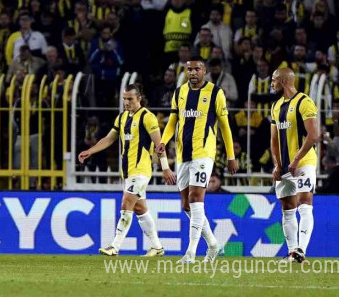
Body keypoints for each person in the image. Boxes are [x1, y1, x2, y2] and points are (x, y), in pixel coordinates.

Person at [158, 57, 238, 264]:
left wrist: (231, 156)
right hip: (182, 155)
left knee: (195, 198)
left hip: (204, 153)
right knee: (186, 204)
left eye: (197, 69)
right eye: (189, 69)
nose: (192, 73)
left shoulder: (215, 92)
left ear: (204, 71)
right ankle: (213, 244)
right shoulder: (180, 92)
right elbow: (173, 121)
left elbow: (225, 126)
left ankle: (190, 253)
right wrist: (164, 141)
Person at [80, 84, 175, 257]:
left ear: (139, 98)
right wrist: (90, 151)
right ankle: (157, 247)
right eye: (124, 98)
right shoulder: (122, 117)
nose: (126, 102)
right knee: (140, 209)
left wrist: (166, 168)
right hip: (128, 172)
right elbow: (109, 139)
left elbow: (159, 145)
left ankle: (114, 246)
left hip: (141, 170)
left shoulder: (148, 117)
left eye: (130, 99)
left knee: (126, 203)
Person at [269, 67, 321, 264]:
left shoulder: (305, 102)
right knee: (287, 208)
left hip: (303, 162)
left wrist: (297, 159)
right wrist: (276, 164)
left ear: (283, 82)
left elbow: (313, 135)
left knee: (305, 202)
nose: (271, 84)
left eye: (274, 80)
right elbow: (274, 140)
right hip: (284, 167)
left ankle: (301, 249)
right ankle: (292, 253)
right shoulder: (275, 106)